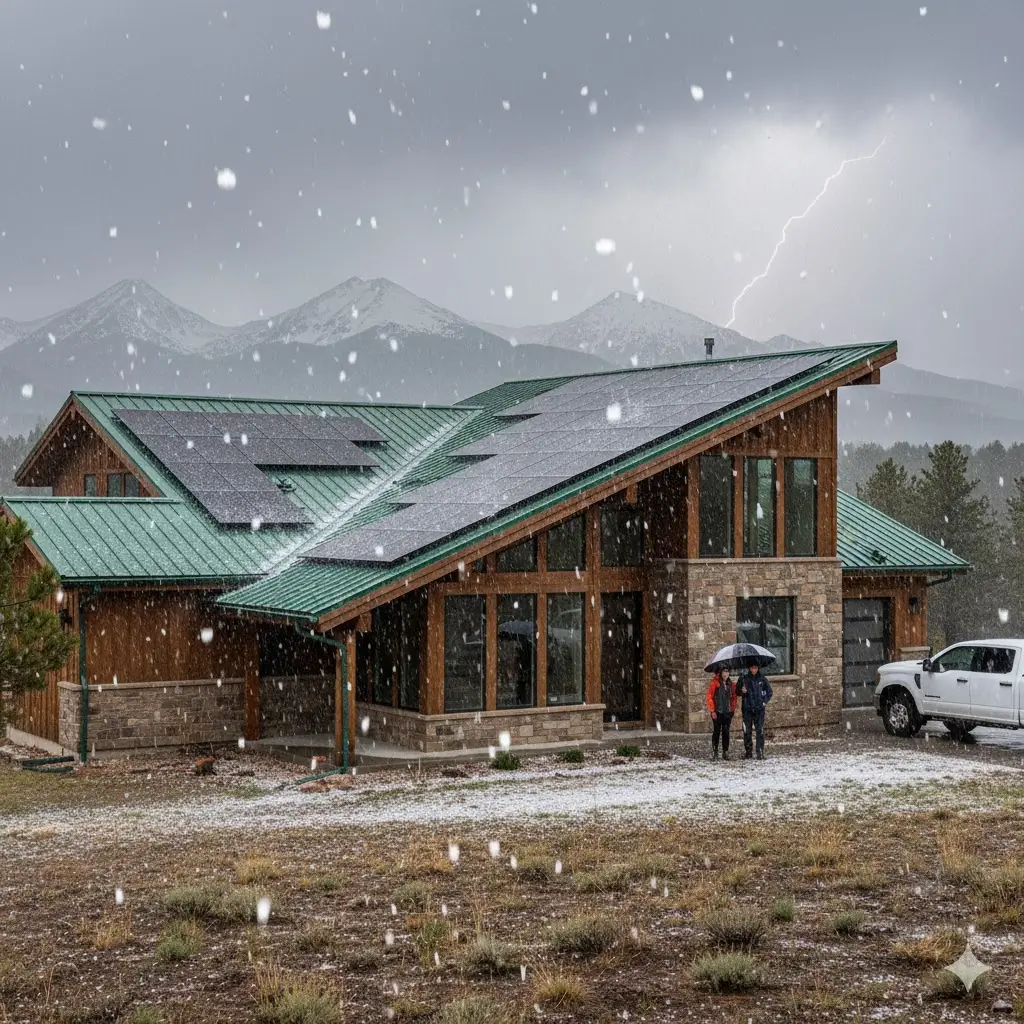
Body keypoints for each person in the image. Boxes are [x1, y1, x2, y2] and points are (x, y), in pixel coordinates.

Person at [738, 660, 773, 760]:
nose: (754, 669)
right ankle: (748, 752)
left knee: (760, 731)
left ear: (758, 668)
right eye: (752, 667)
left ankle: (760, 752)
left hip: (759, 710)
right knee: (747, 732)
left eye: (756, 668)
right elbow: (737, 692)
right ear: (749, 668)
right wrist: (742, 690)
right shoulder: (743, 678)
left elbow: (769, 692)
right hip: (747, 710)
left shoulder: (762, 679)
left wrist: (764, 702)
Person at [706, 666, 736, 760]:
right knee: (716, 732)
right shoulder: (715, 683)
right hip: (717, 712)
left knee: (726, 732)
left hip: (727, 712)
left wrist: (732, 709)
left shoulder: (731, 685)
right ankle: (715, 752)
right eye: (724, 672)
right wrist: (712, 711)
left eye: (727, 672)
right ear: (720, 673)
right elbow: (709, 697)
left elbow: (734, 697)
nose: (725, 674)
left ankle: (725, 752)